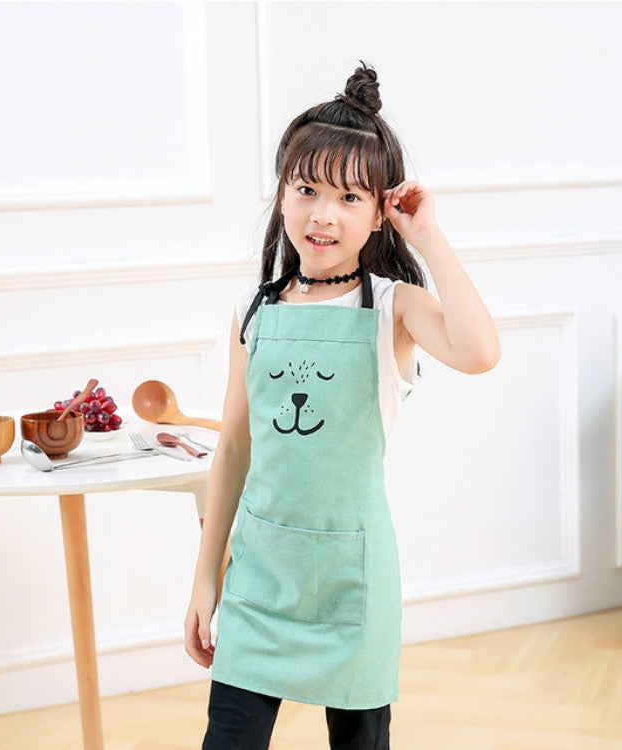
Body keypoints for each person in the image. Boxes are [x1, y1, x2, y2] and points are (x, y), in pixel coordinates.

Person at [184, 62, 500, 750]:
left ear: (380, 212)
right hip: (258, 581)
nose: (323, 214)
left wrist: (429, 237)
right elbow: (233, 449)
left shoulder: (392, 308)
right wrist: (206, 578)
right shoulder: (252, 311)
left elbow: (480, 352)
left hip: (352, 585)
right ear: (281, 197)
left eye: (350, 197)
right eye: (306, 190)